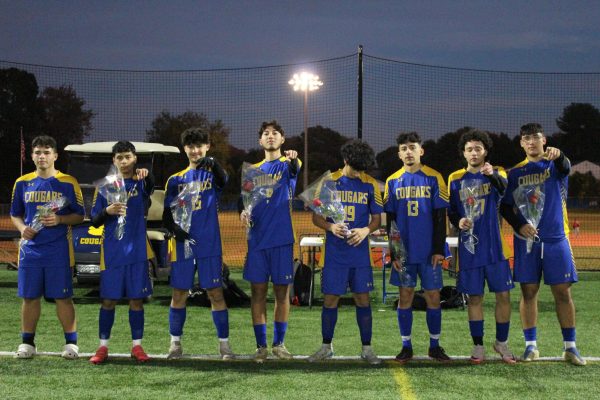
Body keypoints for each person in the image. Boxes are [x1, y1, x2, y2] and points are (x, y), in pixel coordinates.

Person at [500, 123, 585, 366]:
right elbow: (505, 206)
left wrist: (561, 156)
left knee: (562, 292)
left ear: (544, 140)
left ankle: (570, 347)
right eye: (526, 138)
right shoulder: (514, 173)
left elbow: (565, 166)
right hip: (527, 242)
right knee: (528, 292)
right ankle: (531, 346)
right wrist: (519, 225)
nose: (531, 142)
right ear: (521, 143)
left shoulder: (554, 165)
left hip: (557, 239)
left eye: (535, 138)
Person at [307, 140, 383, 365]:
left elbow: (377, 218)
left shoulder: (369, 184)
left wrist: (366, 230)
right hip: (335, 253)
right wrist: (330, 227)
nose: (359, 173)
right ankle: (326, 346)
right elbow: (315, 216)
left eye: (363, 169)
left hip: (360, 253)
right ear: (345, 160)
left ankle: (367, 349)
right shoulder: (329, 182)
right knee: (330, 299)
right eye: (356, 168)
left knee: (363, 298)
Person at [10, 135, 85, 359]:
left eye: (46, 152)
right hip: (30, 250)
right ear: (32, 156)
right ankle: (27, 343)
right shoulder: (22, 182)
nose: (42, 156)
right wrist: (22, 228)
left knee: (63, 297)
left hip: (58, 250)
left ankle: (71, 344)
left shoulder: (68, 182)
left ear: (55, 155)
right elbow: (15, 214)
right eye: (37, 152)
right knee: (30, 297)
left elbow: (80, 216)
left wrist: (60, 220)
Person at [163, 127, 234, 360]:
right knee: (179, 292)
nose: (195, 150)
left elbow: (225, 179)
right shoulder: (175, 180)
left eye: (199, 146)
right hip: (183, 245)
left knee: (215, 293)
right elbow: (166, 214)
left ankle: (224, 346)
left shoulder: (212, 175)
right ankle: (175, 344)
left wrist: (214, 164)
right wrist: (175, 229)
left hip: (209, 244)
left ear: (207, 147)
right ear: (185, 149)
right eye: (190, 146)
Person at [447, 129, 516, 364]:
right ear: (463, 153)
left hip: (496, 248)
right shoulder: (455, 178)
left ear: (485, 151)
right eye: (469, 149)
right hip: (469, 249)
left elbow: (506, 191)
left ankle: (502, 343)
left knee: (503, 296)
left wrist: (492, 176)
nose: (474, 152)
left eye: (478, 148)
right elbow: (452, 211)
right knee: (474, 298)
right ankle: (478, 346)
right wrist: (459, 221)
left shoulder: (497, 173)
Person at [383, 132, 450, 363]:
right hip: (404, 250)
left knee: (433, 295)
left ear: (421, 151)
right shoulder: (392, 181)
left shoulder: (434, 177)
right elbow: (390, 219)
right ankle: (406, 345)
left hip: (429, 250)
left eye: (413, 147)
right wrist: (394, 252)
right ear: (399, 153)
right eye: (404, 148)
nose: (408, 151)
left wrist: (439, 248)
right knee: (405, 296)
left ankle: (434, 345)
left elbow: (441, 216)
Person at [89, 141, 155, 364]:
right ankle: (102, 347)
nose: (124, 161)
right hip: (112, 253)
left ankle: (137, 347)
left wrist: (147, 174)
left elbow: (152, 187)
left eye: (128, 156)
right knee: (108, 300)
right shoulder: (106, 186)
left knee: (136, 300)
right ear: (114, 161)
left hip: (136, 252)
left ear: (135, 158)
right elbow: (95, 219)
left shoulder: (141, 181)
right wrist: (107, 210)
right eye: (120, 157)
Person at [240, 120, 301, 362]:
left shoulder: (288, 165)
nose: (271, 136)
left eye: (275, 133)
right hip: (256, 239)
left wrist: (294, 158)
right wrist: (243, 212)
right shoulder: (251, 171)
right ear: (260, 141)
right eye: (266, 133)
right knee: (257, 292)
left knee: (281, 292)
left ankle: (279, 343)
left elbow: (296, 167)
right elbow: (244, 200)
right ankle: (261, 346)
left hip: (282, 239)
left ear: (282, 139)